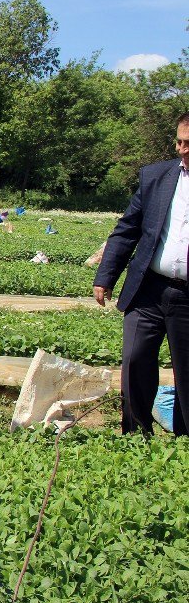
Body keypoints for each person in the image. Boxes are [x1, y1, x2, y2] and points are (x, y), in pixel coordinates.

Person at [93, 112, 189, 436]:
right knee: (134, 360)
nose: (181, 149)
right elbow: (127, 230)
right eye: (179, 141)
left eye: (188, 144)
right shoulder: (157, 177)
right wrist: (105, 276)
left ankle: (183, 439)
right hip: (149, 288)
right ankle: (135, 435)